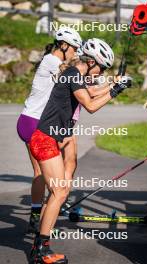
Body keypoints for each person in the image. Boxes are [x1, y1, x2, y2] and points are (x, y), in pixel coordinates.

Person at [29, 38, 132, 264]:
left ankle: (40, 245)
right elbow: (92, 105)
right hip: (44, 139)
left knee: (57, 193)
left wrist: (115, 84)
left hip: (47, 139)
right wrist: (115, 89)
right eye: (102, 67)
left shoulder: (76, 74)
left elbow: (93, 93)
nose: (101, 72)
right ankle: (40, 251)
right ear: (92, 62)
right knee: (60, 192)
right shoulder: (74, 73)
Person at [16, 26, 82, 233]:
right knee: (43, 172)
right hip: (35, 121)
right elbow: (71, 77)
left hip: (32, 119)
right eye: (73, 48)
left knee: (50, 170)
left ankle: (43, 212)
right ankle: (43, 215)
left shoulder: (54, 61)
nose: (75, 52)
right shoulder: (52, 62)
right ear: (63, 46)